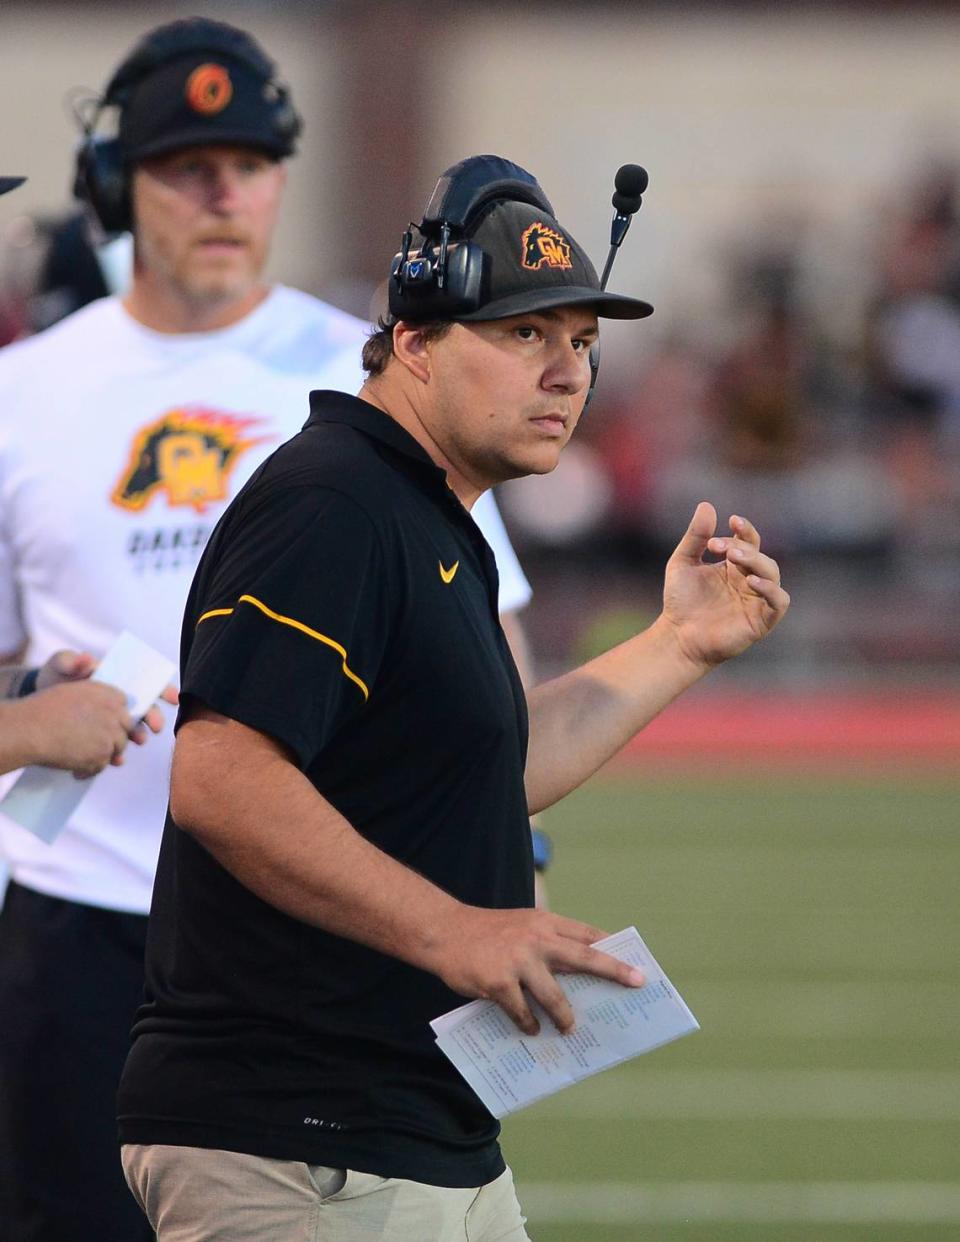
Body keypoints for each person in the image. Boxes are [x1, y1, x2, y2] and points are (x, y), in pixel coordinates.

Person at [117, 156, 789, 1241]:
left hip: (410, 1129)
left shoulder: (433, 514)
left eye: (582, 343)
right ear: (416, 344)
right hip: (301, 1142)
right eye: (525, 334)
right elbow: (219, 774)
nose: (567, 373)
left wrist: (682, 643)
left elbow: (491, 770)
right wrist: (454, 930)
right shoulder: (335, 502)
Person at [0, 21, 532, 1242]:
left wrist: (508, 847)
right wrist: (33, 706)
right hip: (80, 916)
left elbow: (481, 636)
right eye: (186, 164)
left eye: (250, 160)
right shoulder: (24, 392)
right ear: (114, 187)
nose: (223, 190)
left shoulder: (376, 367)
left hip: (313, 935)